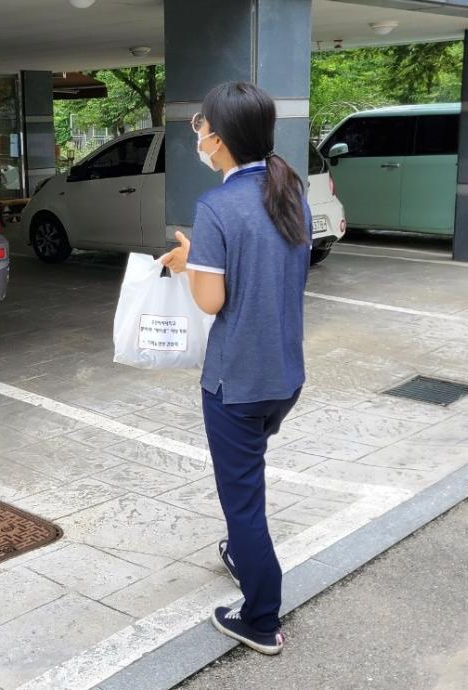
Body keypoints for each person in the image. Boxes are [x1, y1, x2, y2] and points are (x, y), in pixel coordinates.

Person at [162, 82, 311, 655]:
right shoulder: (288, 188)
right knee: (249, 480)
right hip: (284, 376)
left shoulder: (218, 206)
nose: (196, 133)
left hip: (235, 383)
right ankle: (239, 551)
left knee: (243, 501)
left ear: (218, 139)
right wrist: (197, 257)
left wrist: (186, 263)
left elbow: (211, 302)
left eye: (199, 125)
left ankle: (261, 618)